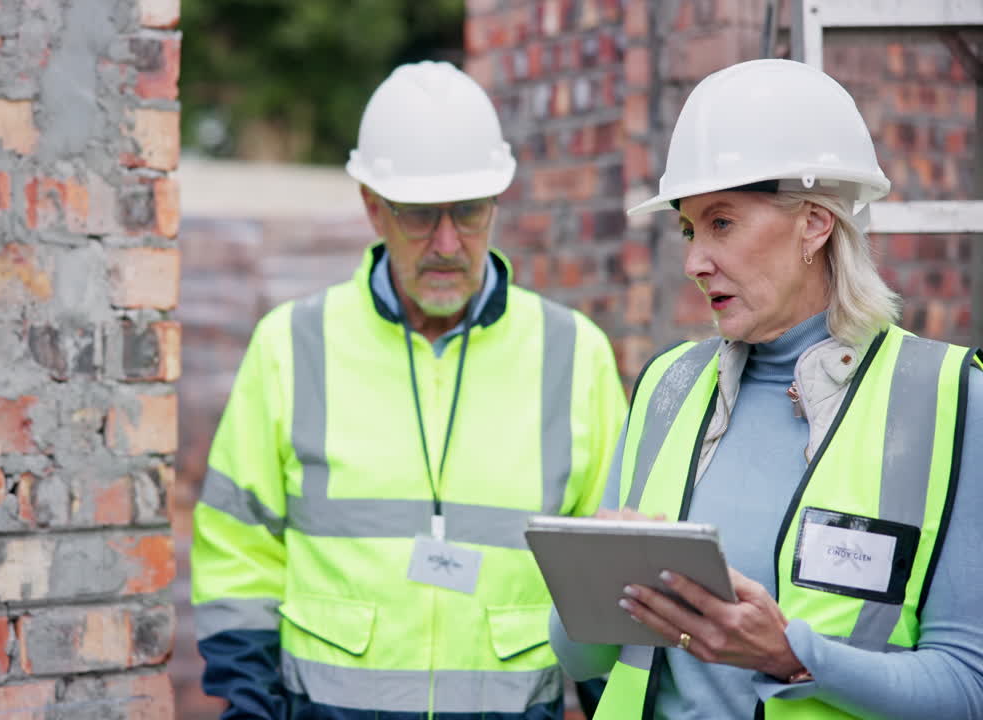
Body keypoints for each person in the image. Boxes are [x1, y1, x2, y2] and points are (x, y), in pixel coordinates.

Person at [548, 58, 983, 719]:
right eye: (689, 229)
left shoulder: (949, 400)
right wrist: (586, 589)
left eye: (722, 223)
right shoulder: (668, 384)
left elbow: (968, 688)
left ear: (814, 223)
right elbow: (584, 661)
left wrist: (791, 656)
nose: (694, 261)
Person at [191, 61, 627, 719]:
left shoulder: (576, 354)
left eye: (470, 212)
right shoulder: (291, 345)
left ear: (497, 204)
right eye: (420, 215)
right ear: (373, 206)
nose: (447, 243)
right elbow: (238, 552)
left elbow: (607, 580)